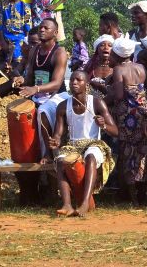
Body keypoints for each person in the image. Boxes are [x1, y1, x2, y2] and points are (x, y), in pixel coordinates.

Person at [50, 70, 116, 217]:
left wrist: (104, 125)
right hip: (73, 145)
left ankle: (85, 203)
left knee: (90, 156)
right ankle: (67, 204)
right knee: (60, 161)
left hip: (94, 143)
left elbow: (115, 131)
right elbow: (58, 134)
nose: (74, 82)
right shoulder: (62, 106)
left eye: (78, 80)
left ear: (86, 85)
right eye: (72, 79)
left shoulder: (97, 103)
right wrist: (55, 141)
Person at [102, 37, 147, 206]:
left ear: (117, 53)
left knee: (127, 152)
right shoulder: (140, 67)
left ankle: (132, 196)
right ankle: (142, 193)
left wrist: (101, 99)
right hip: (143, 113)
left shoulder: (118, 70)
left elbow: (119, 96)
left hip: (128, 116)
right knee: (142, 152)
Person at [15, 19, 68, 160]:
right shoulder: (34, 51)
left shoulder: (60, 52)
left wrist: (36, 89)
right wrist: (21, 80)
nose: (42, 30)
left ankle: (48, 153)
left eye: (46, 28)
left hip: (58, 95)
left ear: (55, 33)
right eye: (40, 27)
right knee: (20, 111)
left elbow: (57, 83)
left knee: (43, 110)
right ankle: (26, 153)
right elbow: (30, 78)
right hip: (38, 93)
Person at [1, 0, 32, 68]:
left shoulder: (25, 6)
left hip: (19, 39)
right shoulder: (3, 5)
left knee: (18, 64)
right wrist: (3, 41)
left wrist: (23, 43)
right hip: (5, 39)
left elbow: (27, 27)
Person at [85, 35, 114, 102]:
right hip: (91, 102)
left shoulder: (116, 66)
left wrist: (100, 87)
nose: (106, 48)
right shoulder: (90, 64)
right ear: (97, 49)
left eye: (110, 45)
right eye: (102, 45)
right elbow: (83, 81)